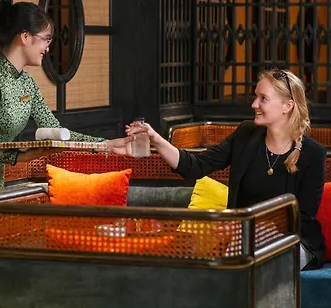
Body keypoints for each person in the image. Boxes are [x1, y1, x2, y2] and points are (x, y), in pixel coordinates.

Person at [123, 69, 326, 270]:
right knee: (243, 251)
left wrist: (247, 225)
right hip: (244, 240)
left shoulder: (313, 154)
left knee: (250, 252)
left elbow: (301, 219)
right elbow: (196, 165)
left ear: (287, 106)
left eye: (263, 98)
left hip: (293, 241)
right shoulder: (245, 135)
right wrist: (156, 140)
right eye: (255, 96)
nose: (254, 104)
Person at [0, 1, 125, 200]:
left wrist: (105, 144)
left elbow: (56, 130)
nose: (48, 48)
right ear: (25, 37)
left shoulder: (27, 83)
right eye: (46, 39)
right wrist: (22, 156)